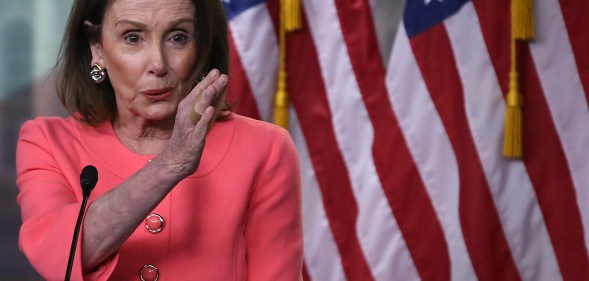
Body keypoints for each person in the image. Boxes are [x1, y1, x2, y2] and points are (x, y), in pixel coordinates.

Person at [15, 0, 303, 280]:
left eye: (178, 37)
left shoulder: (265, 148)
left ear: (201, 44)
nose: (158, 63)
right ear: (97, 48)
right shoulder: (47, 142)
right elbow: (58, 259)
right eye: (133, 37)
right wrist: (170, 164)